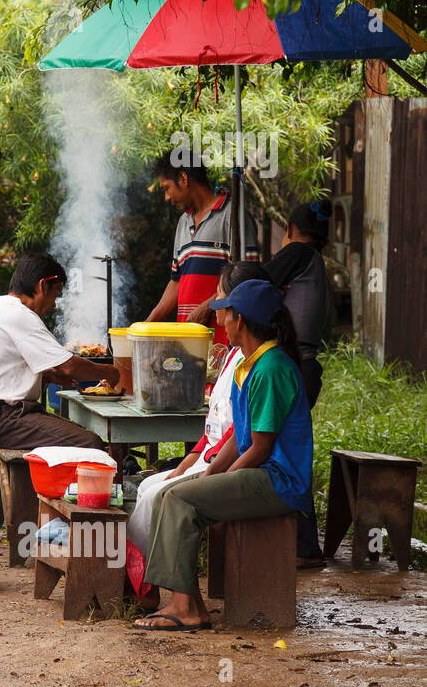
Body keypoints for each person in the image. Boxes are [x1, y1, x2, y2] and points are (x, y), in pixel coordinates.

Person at [133, 278, 312, 631]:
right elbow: (238, 436)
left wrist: (221, 482)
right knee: (172, 493)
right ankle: (190, 602)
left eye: (224, 314)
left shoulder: (271, 368)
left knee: (180, 501)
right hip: (260, 473)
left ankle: (184, 607)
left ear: (240, 321)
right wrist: (210, 476)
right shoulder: (249, 364)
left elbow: (260, 448)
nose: (220, 321)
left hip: (279, 481)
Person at [0, 252, 132, 517]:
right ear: (42, 286)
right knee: (90, 443)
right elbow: (69, 365)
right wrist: (109, 372)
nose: (54, 304)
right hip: (5, 420)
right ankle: (78, 524)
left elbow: (9, 368)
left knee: (76, 434)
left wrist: (50, 377)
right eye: (55, 294)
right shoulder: (20, 316)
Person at [127, 260, 273, 558]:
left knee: (157, 495)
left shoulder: (262, 365)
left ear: (239, 313)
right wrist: (181, 468)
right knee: (147, 487)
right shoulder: (234, 354)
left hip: (224, 463)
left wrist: (213, 476)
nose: (214, 307)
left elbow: (240, 434)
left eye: (219, 298)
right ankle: (141, 576)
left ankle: (147, 581)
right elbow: (211, 429)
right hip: (211, 458)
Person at [146, 152, 258, 347]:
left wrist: (208, 306)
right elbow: (176, 282)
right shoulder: (183, 222)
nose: (166, 197)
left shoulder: (233, 216)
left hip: (224, 342)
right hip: (187, 341)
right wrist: (146, 325)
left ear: (183, 178)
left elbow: (247, 278)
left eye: (166, 188)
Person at [266, 200, 331, 408]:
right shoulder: (316, 261)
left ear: (290, 228)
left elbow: (252, 282)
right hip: (306, 365)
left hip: (290, 363)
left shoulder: (298, 251)